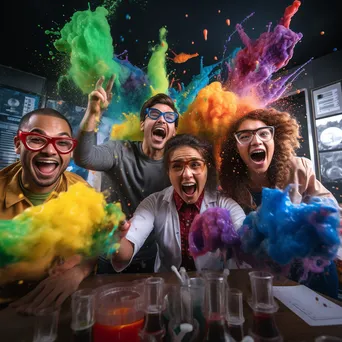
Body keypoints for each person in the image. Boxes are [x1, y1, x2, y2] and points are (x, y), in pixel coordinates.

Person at [219, 107, 340, 298]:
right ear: (236, 147)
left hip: (312, 267)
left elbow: (332, 212)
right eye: (244, 136)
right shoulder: (229, 185)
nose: (256, 140)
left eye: (263, 133)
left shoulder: (298, 169)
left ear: (274, 140)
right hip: (265, 274)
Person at [74, 76, 178, 273]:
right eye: (154, 114)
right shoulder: (119, 150)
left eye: (169, 118)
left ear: (174, 131)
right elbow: (84, 158)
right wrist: (93, 115)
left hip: (154, 259)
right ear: (142, 124)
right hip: (111, 254)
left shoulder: (177, 166)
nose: (161, 120)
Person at [0, 108, 95, 313]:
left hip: (60, 312)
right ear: (18, 144)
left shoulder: (82, 192)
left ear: (70, 151)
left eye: (62, 143)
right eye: (36, 139)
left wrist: (79, 271)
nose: (50, 151)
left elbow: (97, 247)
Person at [111, 134, 246, 273]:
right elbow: (123, 253)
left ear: (207, 169)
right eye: (177, 166)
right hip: (169, 289)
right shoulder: (154, 203)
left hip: (213, 287)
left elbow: (245, 242)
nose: (187, 174)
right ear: (168, 172)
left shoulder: (225, 204)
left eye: (195, 165)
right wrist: (116, 239)